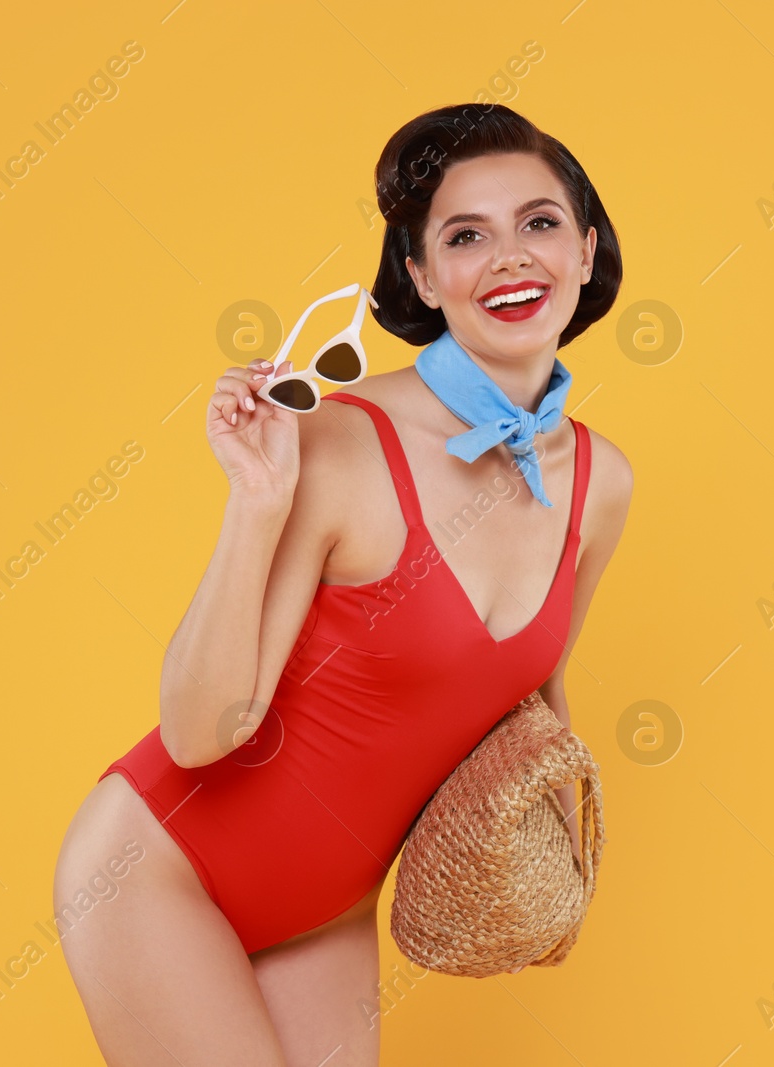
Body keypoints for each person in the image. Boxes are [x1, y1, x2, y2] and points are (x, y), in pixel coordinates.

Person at [54, 102, 633, 1066]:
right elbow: (202, 732)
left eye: (538, 222)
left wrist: (554, 853)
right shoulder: (339, 442)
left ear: (586, 248)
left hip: (329, 904)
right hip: (158, 869)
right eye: (464, 236)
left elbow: (536, 694)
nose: (509, 258)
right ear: (418, 273)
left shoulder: (602, 484)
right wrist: (258, 501)